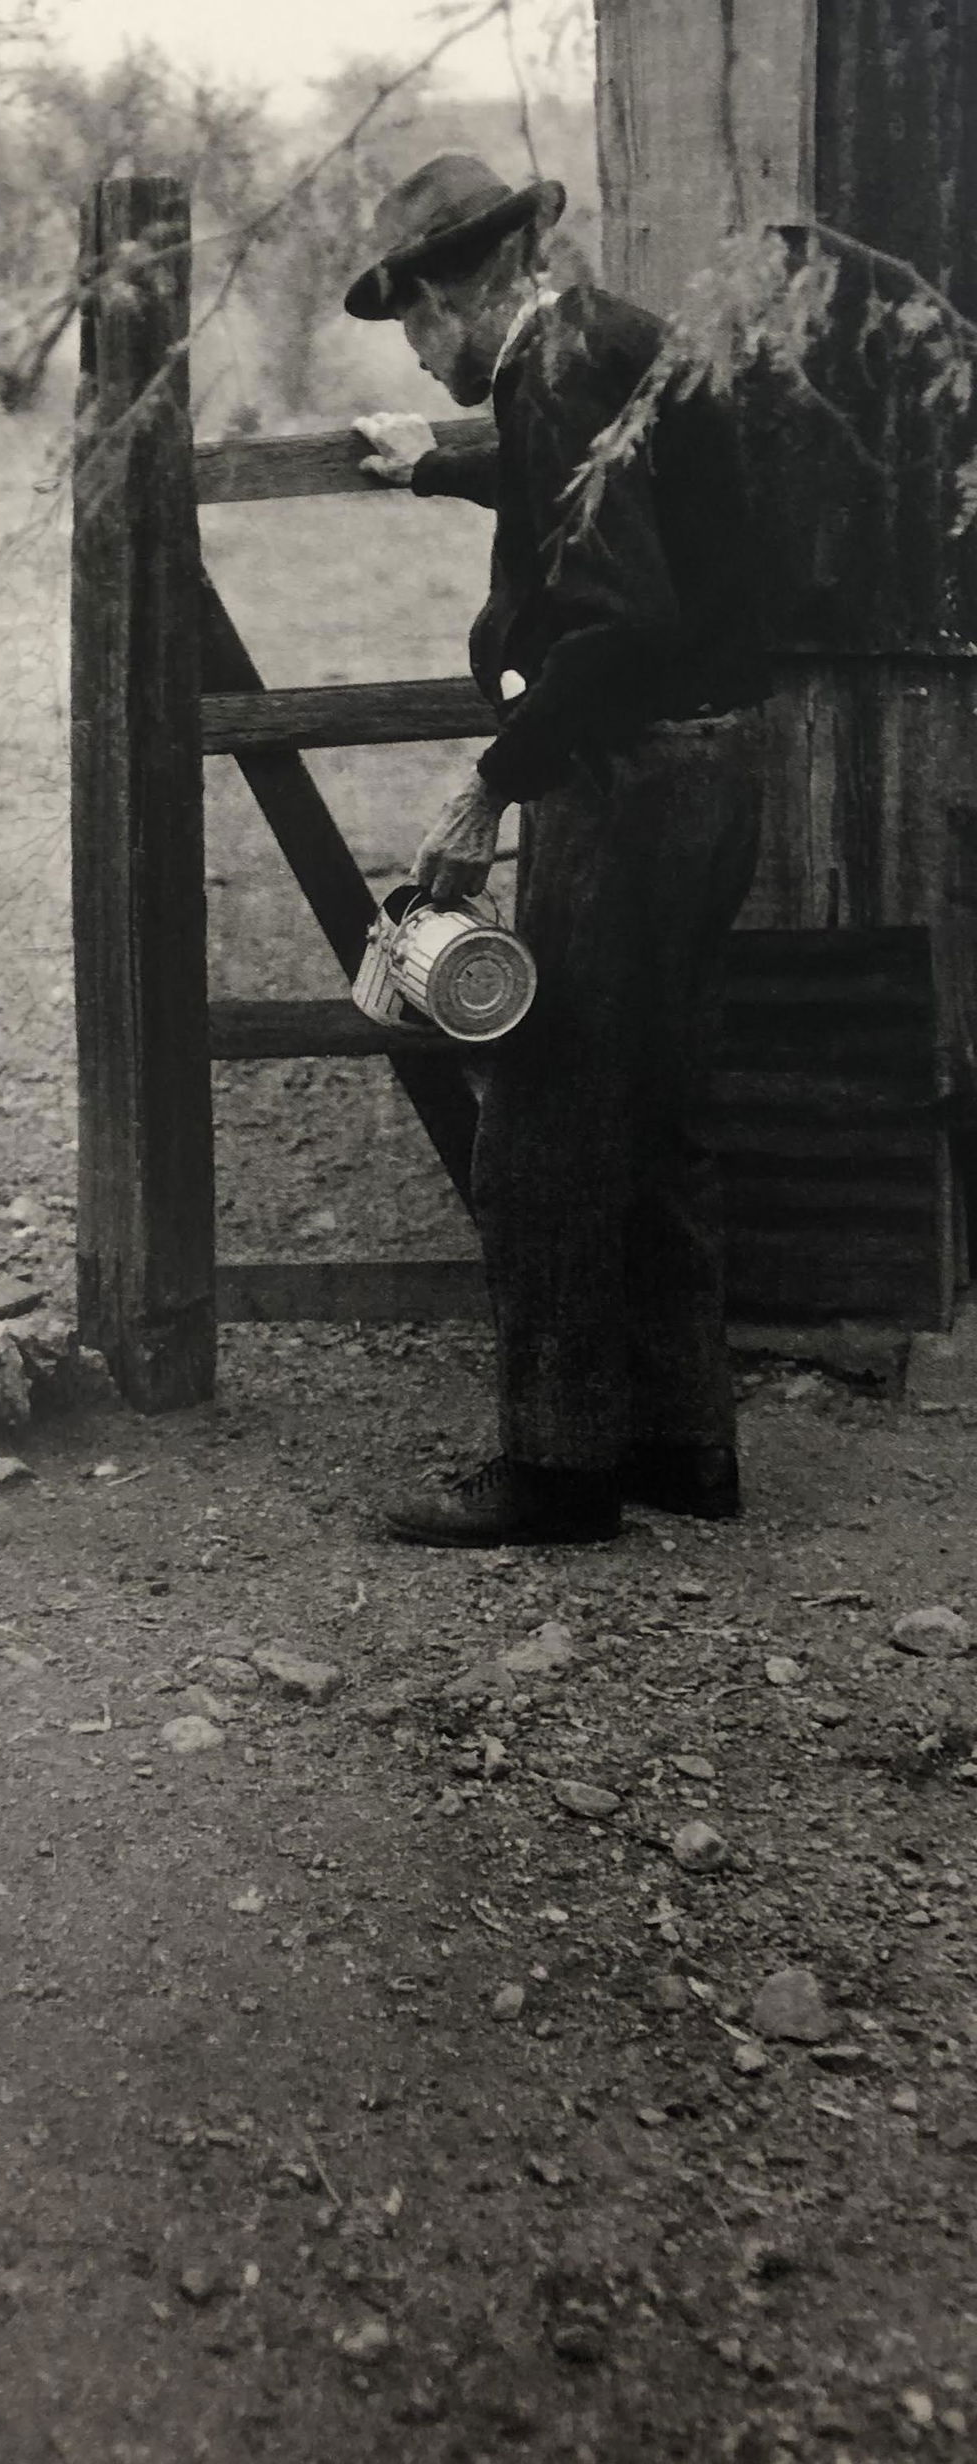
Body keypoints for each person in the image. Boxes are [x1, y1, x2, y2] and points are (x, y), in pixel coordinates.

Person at [346, 155, 770, 1547]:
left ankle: (558, 1468)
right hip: (713, 766)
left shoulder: (552, 367)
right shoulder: (602, 340)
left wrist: (491, 783)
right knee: (661, 1114)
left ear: (464, 289)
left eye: (415, 325)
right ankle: (681, 1445)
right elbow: (586, 485)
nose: (421, 357)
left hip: (632, 779)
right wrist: (439, 462)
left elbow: (619, 619)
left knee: (540, 1118)